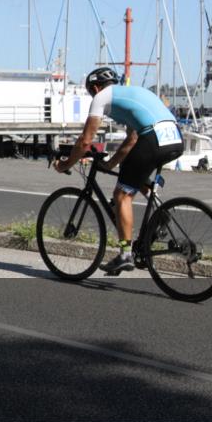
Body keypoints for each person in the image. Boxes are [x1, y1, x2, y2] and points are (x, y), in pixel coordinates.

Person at [54, 67, 185, 274]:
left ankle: (125, 254)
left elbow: (85, 140)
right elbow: (132, 139)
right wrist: (111, 164)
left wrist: (65, 165)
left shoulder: (101, 97)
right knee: (130, 170)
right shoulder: (129, 94)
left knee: (122, 195)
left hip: (153, 138)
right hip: (175, 138)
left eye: (90, 92)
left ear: (95, 87)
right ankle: (159, 211)